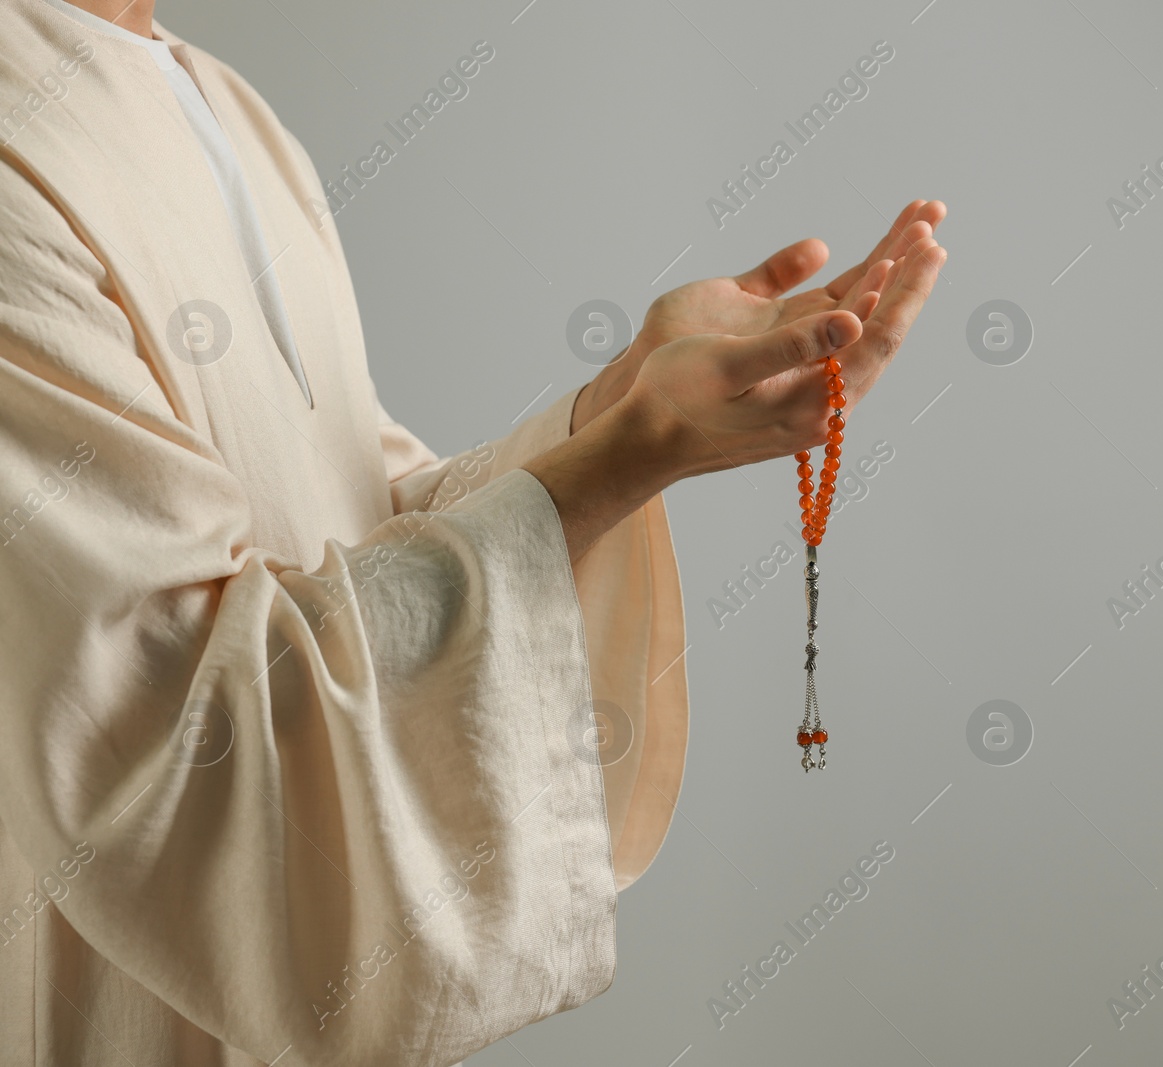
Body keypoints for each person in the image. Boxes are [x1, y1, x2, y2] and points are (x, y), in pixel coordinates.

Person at [0, 0, 948, 1063]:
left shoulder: (226, 105)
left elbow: (364, 523)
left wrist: (617, 409)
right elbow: (161, 703)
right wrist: (632, 451)